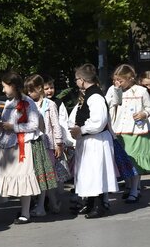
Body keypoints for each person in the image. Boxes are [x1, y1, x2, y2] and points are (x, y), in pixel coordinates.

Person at [0, 72, 46, 225]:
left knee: (24, 177)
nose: (3, 90)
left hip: (21, 145)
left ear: (13, 86)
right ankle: (23, 210)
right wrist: (1, 126)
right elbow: (6, 121)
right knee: (14, 177)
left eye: (4, 86)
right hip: (8, 144)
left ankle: (25, 212)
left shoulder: (28, 102)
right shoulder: (9, 103)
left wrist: (13, 127)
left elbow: (34, 125)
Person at [68, 64, 118, 218]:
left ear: (82, 80)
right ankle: (90, 203)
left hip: (96, 140)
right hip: (89, 140)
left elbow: (98, 121)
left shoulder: (95, 96)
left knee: (96, 172)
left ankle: (99, 205)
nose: (76, 82)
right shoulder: (88, 95)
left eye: (77, 79)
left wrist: (81, 129)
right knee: (88, 172)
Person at [105, 64, 150, 203]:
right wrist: (116, 89)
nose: (117, 83)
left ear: (131, 78)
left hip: (136, 131)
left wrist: (144, 113)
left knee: (133, 161)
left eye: (121, 81)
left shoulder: (141, 91)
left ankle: (135, 189)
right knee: (123, 160)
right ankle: (129, 185)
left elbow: (149, 107)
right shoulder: (113, 90)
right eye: (115, 80)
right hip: (119, 130)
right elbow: (111, 103)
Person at [24, 75, 65, 216]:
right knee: (41, 175)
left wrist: (59, 143)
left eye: (31, 90)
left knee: (44, 176)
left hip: (48, 145)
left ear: (39, 88)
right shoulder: (29, 104)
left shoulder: (50, 105)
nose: (29, 94)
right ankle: (53, 204)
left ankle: (41, 206)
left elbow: (55, 125)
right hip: (34, 144)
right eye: (27, 91)